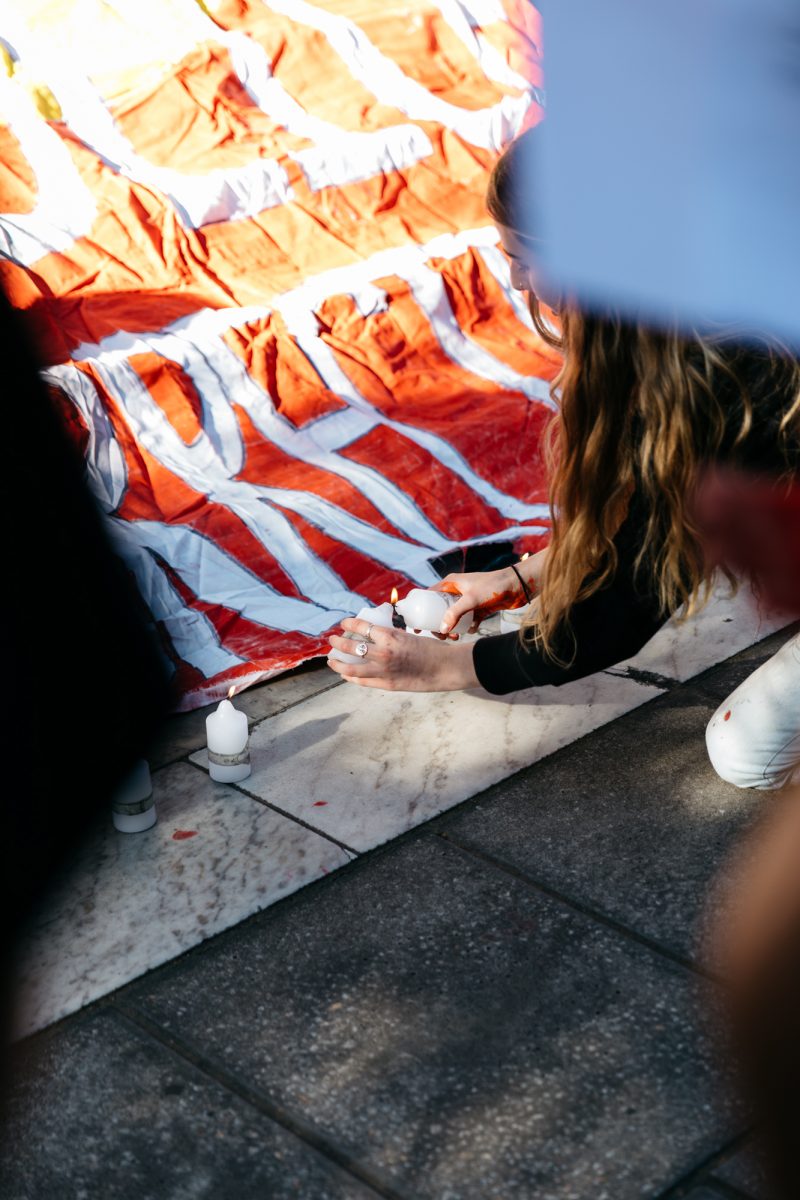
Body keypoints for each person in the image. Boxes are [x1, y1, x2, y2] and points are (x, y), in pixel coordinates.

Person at [326, 129, 800, 749]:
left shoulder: (720, 379)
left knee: (744, 752)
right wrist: (524, 579)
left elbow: (624, 608)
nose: (520, 281)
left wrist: (437, 666)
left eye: (524, 256)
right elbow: (654, 526)